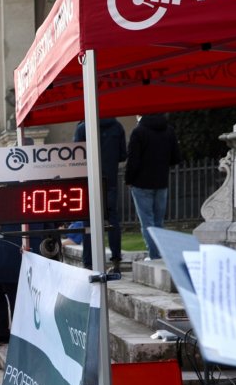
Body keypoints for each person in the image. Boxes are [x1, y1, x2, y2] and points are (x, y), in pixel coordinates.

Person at [125, 113, 182, 261]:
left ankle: (154, 255)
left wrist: (128, 179)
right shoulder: (169, 130)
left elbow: (133, 160)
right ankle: (159, 253)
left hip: (141, 183)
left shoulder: (138, 131)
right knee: (158, 222)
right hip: (161, 181)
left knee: (147, 223)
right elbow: (176, 157)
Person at [74, 118, 126, 272]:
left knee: (88, 221)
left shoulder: (82, 128)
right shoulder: (117, 127)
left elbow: (76, 154)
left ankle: (88, 262)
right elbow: (123, 155)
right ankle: (116, 260)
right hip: (109, 180)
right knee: (112, 219)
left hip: (89, 180)